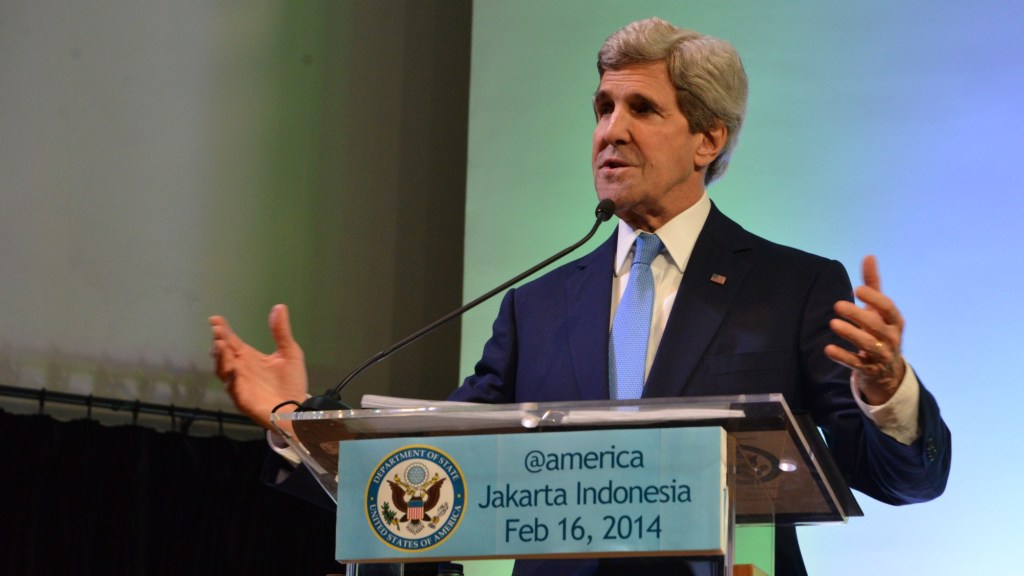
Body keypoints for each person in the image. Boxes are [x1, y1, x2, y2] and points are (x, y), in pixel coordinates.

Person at [211, 17, 950, 576]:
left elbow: (897, 478)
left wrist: (887, 394)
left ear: (708, 139)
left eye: (642, 109)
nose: (610, 131)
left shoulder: (792, 287)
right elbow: (426, 471)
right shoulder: (536, 308)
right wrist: (293, 421)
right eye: (602, 107)